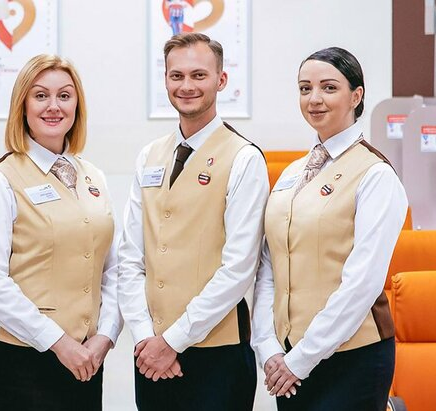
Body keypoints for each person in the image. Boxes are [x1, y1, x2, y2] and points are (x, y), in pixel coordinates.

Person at [117, 32, 268, 410]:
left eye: (199, 75)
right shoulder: (149, 156)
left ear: (221, 80)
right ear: (166, 80)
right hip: (150, 353)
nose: (186, 86)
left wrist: (173, 341)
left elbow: (239, 268)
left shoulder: (244, 158)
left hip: (217, 354)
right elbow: (130, 257)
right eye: (177, 76)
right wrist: (145, 337)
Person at [251, 47, 408, 410]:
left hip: (352, 358)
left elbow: (362, 283)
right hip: (288, 356)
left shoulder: (375, 174)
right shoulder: (292, 173)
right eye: (305, 88)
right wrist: (268, 345)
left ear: (356, 96)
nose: (314, 99)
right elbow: (270, 264)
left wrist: (302, 358)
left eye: (329, 87)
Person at [0, 54, 122, 411]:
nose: (54, 106)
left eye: (64, 96)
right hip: (21, 358)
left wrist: (106, 335)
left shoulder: (93, 177)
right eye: (41, 96)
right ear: (22, 106)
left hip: (87, 357)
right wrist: (58, 342)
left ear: (77, 106)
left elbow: (113, 268)